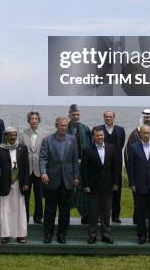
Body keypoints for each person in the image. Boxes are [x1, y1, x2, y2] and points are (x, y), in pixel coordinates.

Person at [39, 116, 80, 244]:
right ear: (56, 126)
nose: (64, 127)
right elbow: (43, 159)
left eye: (65, 125)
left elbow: (75, 161)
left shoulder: (72, 140)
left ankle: (62, 235)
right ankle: (48, 235)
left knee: (65, 211)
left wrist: (76, 177)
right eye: (61, 125)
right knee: (50, 210)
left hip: (67, 180)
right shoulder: (47, 140)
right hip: (51, 179)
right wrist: (43, 173)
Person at [0, 127, 30, 243]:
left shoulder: (22, 148)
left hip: (20, 184)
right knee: (6, 210)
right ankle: (5, 235)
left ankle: (21, 235)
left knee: (20, 209)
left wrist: (26, 182)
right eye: (10, 135)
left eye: (14, 135)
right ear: (5, 136)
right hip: (6, 183)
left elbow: (27, 167)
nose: (13, 137)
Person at [81, 126, 120, 244]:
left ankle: (106, 235)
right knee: (93, 213)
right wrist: (86, 185)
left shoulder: (112, 148)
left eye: (101, 135)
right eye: (97, 135)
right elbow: (84, 169)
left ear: (104, 136)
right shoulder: (87, 150)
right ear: (93, 137)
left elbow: (116, 167)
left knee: (106, 212)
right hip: (93, 186)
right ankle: (92, 235)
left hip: (108, 185)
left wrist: (116, 182)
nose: (99, 137)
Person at [99, 110, 126, 223]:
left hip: (116, 163)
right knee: (101, 190)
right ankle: (101, 215)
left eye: (110, 117)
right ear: (103, 117)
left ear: (114, 118)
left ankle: (115, 215)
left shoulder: (120, 130)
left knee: (116, 189)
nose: (108, 118)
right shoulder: (99, 129)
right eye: (106, 117)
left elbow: (121, 144)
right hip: (102, 163)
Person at [20, 110, 47, 224]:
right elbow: (20, 152)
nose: (34, 121)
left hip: (39, 170)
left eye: (36, 119)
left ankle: (38, 217)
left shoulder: (45, 134)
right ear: (28, 121)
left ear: (39, 120)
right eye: (32, 119)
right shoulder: (23, 134)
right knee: (25, 196)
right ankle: (24, 217)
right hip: (26, 170)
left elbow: (46, 153)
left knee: (39, 195)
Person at [67, 103, 92, 224]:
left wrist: (84, 160)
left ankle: (85, 215)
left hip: (83, 165)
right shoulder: (64, 129)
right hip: (68, 166)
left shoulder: (85, 129)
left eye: (77, 114)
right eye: (73, 115)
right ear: (69, 115)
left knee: (83, 190)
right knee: (68, 190)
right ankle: (65, 214)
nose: (76, 117)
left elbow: (90, 147)